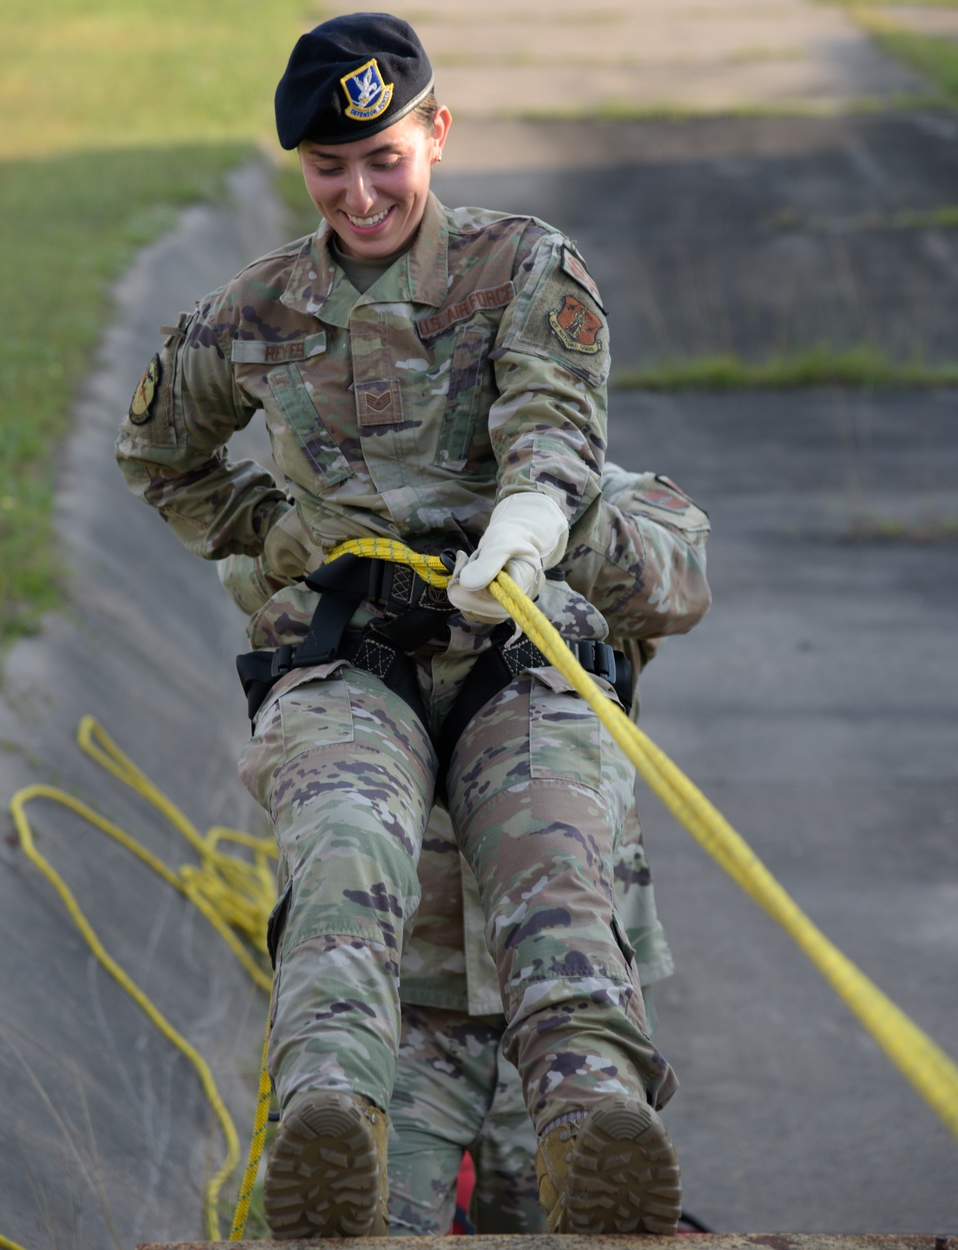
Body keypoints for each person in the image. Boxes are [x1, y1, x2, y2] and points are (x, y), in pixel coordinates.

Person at [115, 13, 710, 1238]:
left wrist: (537, 519)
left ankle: (594, 1125)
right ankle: (329, 1117)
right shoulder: (256, 311)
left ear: (434, 133)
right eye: (330, 167)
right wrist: (274, 535)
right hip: (352, 655)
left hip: (512, 637)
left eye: (382, 155)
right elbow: (158, 451)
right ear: (302, 170)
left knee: (553, 861)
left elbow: (554, 410)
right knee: (341, 847)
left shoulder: (522, 266)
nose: (360, 189)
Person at [218, 462, 709, 1235]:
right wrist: (388, 542)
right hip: (400, 1005)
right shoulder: (335, 490)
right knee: (349, 1216)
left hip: (564, 995)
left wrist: (530, 525)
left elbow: (675, 585)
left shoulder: (601, 491)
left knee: (595, 1210)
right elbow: (253, 570)